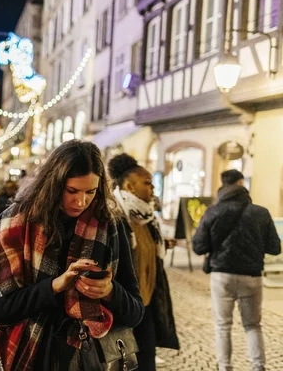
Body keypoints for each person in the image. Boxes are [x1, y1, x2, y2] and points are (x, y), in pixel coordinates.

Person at [0, 140, 144, 370]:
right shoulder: (15, 225)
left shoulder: (110, 226)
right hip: (29, 357)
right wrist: (54, 286)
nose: (81, 202)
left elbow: (136, 313)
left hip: (87, 360)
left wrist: (110, 292)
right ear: (53, 184)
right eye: (72, 191)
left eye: (91, 192)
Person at [193, 169, 281, 371]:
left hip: (222, 275)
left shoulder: (213, 211)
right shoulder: (260, 212)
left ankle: (225, 367)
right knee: (252, 325)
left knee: (223, 326)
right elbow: (275, 247)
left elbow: (199, 247)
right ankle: (258, 367)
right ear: (242, 184)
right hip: (252, 276)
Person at [108, 153, 180, 370]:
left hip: (146, 305)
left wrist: (162, 244)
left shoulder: (148, 219)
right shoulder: (115, 217)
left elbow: (147, 251)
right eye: (147, 183)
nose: (152, 188)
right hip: (122, 307)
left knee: (146, 363)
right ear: (129, 186)